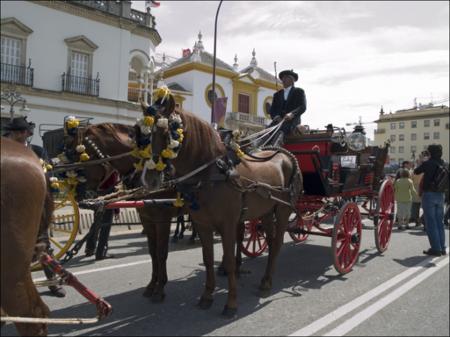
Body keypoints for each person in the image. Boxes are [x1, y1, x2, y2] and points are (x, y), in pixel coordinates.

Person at [3, 116, 66, 297]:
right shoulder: (5, 154)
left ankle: (53, 284)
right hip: (10, 209)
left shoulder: (37, 152)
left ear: (26, 134)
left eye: (17, 132)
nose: (13, 136)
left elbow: (48, 178)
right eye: (12, 132)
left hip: (34, 208)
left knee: (43, 246)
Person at [414, 144, 447, 257]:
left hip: (429, 194)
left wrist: (422, 161)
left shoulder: (428, 163)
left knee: (431, 223)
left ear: (430, 153)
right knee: (440, 223)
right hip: (441, 194)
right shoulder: (444, 163)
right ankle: (442, 248)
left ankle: (435, 249)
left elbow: (416, 171)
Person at [269, 69, 307, 146]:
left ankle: (275, 146)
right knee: (267, 130)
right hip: (278, 122)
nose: (283, 80)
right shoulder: (277, 94)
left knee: (281, 129)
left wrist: (292, 114)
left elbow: (302, 106)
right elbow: (272, 110)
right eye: (282, 78)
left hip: (292, 122)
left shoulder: (299, 91)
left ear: (292, 80)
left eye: (286, 78)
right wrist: (276, 117)